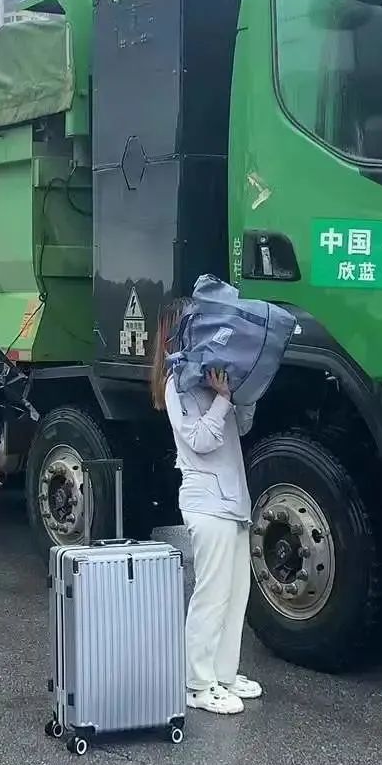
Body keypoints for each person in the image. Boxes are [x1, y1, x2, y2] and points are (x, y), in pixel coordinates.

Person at [152, 298, 262, 717]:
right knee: (212, 595)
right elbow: (198, 440)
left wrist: (238, 396)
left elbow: (241, 426)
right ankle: (197, 684)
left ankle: (225, 674)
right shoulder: (176, 384)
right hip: (207, 502)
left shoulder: (208, 381)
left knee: (236, 594)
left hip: (234, 501)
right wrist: (220, 400)